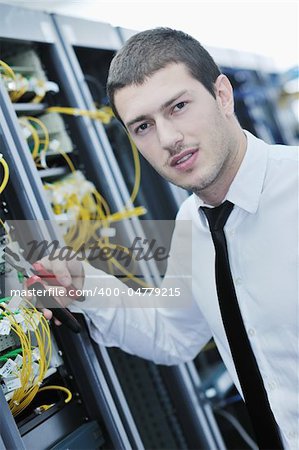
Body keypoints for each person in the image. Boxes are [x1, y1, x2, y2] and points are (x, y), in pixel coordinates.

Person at [41, 28, 298, 449]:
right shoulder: (193, 224)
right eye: (143, 126)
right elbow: (174, 334)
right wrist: (84, 283)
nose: (167, 139)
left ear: (222, 95)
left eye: (178, 107)